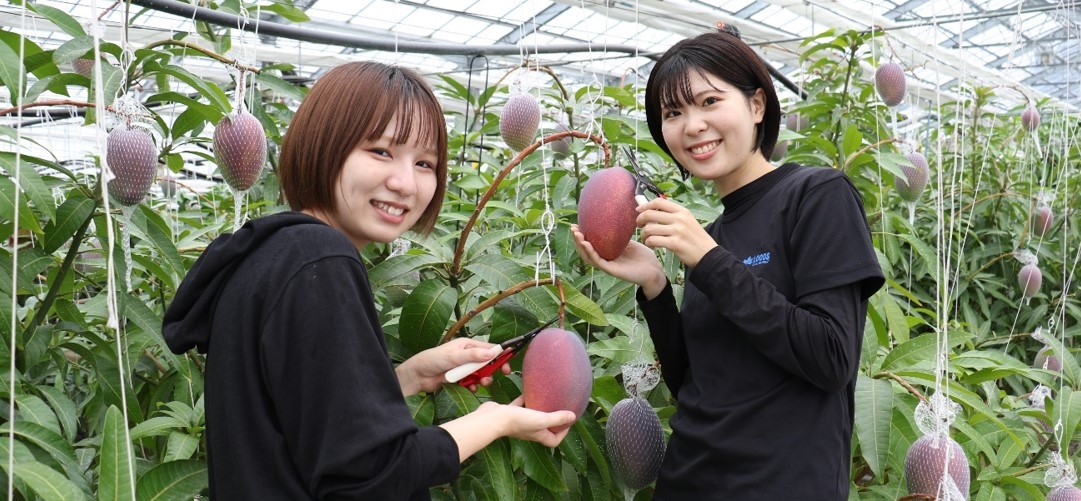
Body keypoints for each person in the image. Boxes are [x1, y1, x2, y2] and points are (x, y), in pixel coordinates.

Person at [162, 61, 575, 500]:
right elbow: (370, 476)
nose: (405, 183)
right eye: (380, 151)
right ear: (325, 144)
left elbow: (301, 420)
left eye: (424, 163)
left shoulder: (271, 255)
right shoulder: (321, 262)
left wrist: (406, 377)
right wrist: (496, 420)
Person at [572, 29, 885, 499]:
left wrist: (710, 262)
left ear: (757, 106)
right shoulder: (711, 235)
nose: (692, 125)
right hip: (688, 481)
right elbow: (694, 383)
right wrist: (655, 285)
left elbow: (832, 358)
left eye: (709, 101)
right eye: (673, 113)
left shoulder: (817, 196)